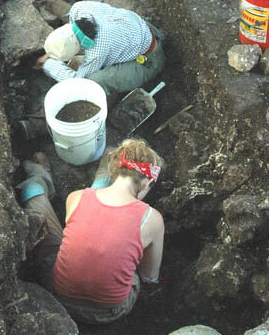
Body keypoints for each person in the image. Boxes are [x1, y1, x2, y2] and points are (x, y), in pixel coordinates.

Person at [17, 138, 165, 324]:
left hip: (59, 296)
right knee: (131, 271)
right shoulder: (153, 219)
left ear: (115, 169)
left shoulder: (76, 197)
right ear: (146, 183)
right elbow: (149, 276)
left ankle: (36, 179)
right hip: (109, 312)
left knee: (38, 200)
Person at [35, 0, 165, 95]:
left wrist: (49, 65)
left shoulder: (97, 52)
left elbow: (78, 82)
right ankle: (46, 1)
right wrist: (50, 52)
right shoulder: (80, 8)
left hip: (150, 58)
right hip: (138, 28)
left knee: (94, 81)